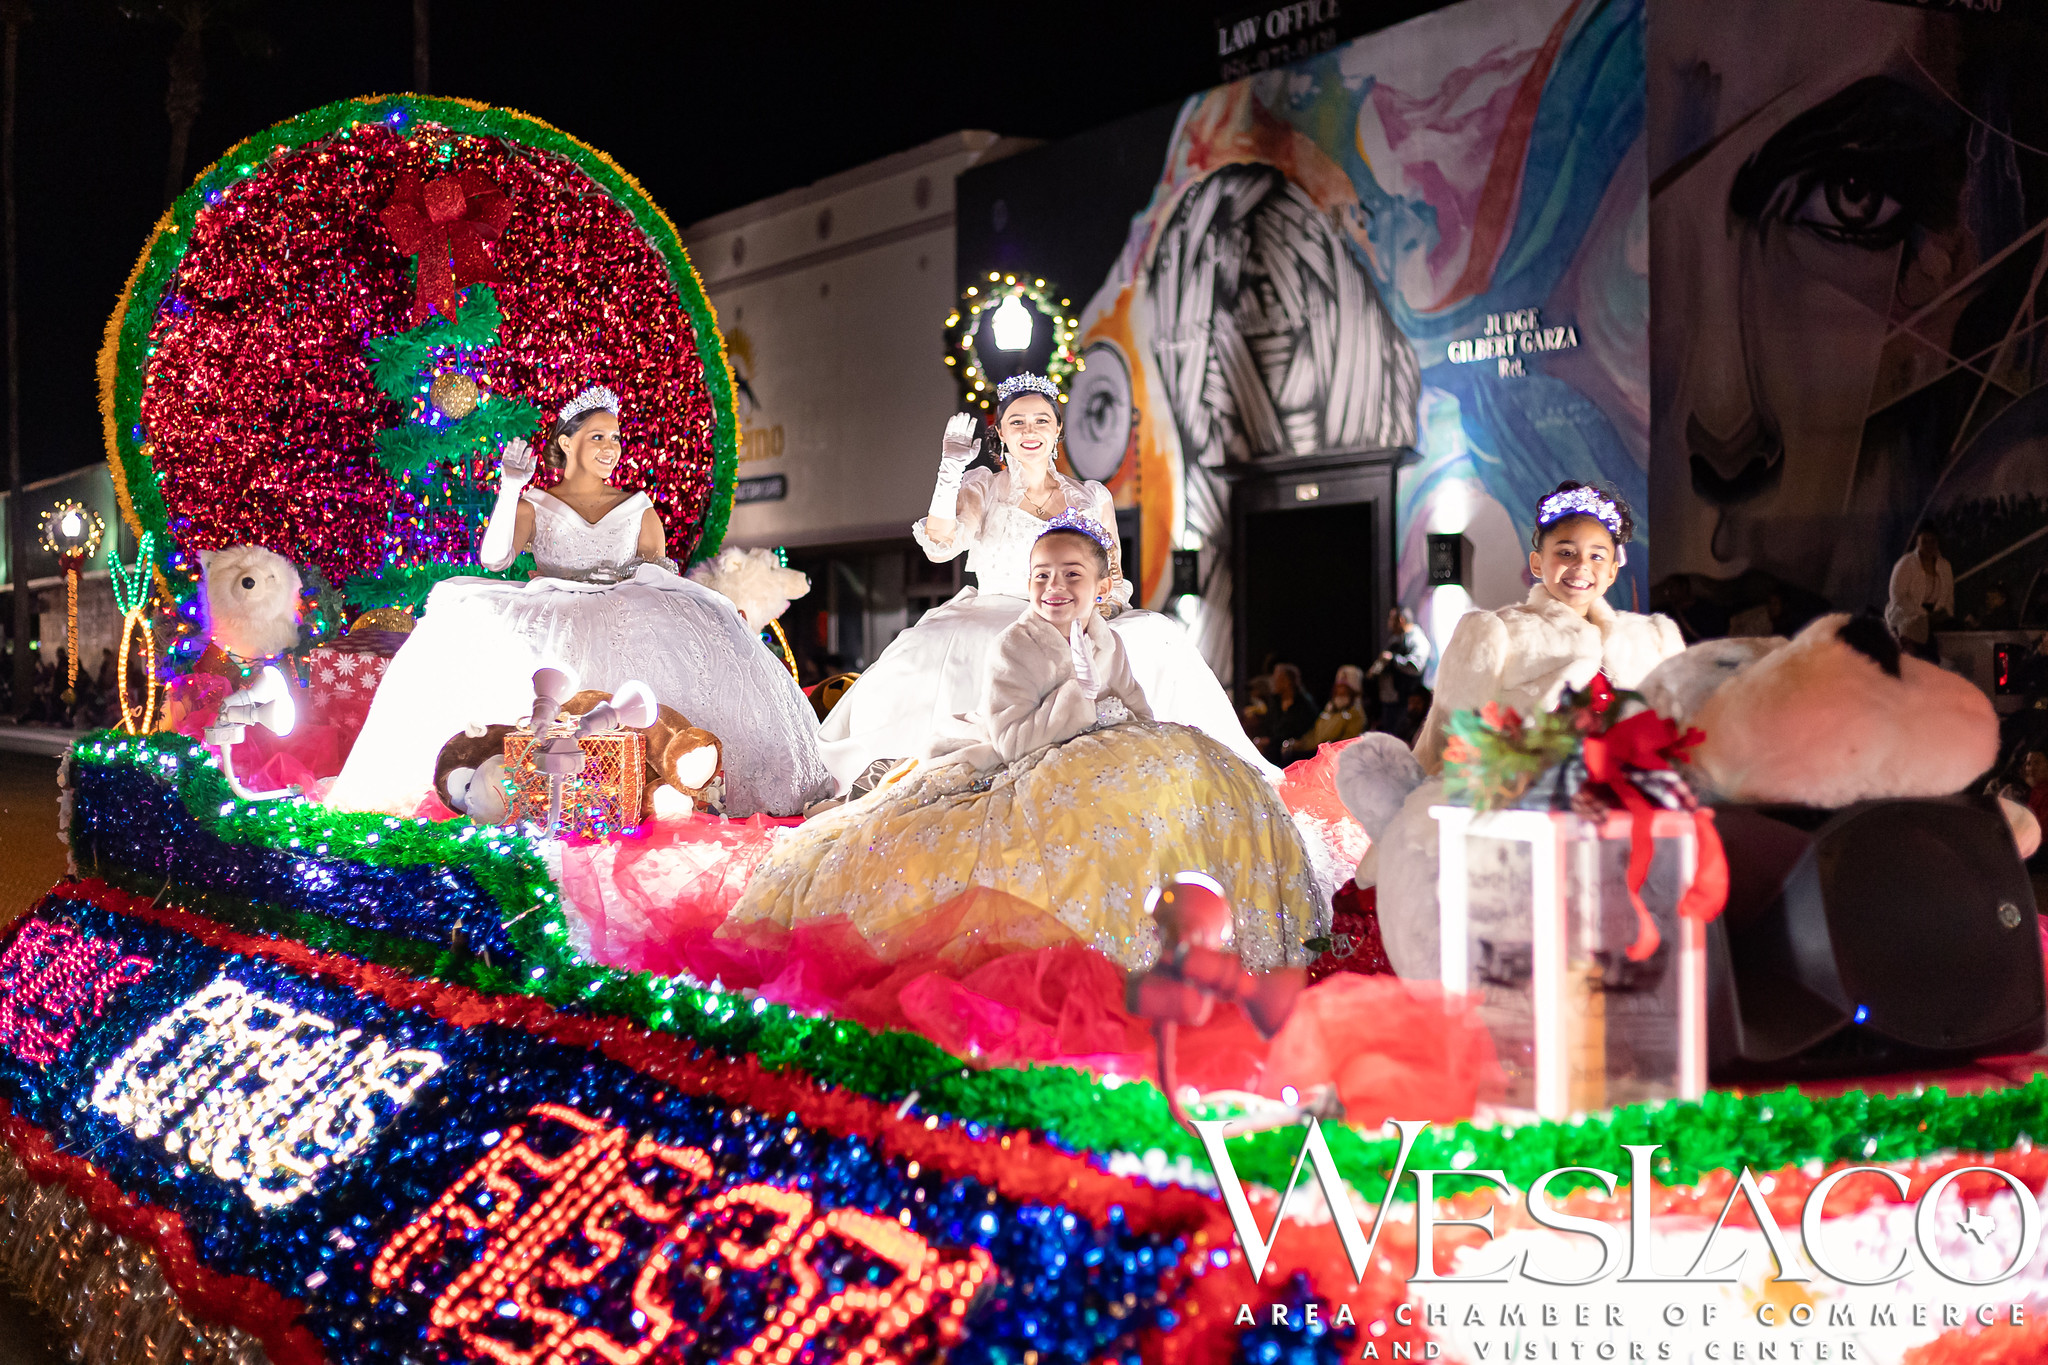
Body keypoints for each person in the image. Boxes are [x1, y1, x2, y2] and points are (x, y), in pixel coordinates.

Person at [729, 512, 1319, 971]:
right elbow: (1014, 740)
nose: (1055, 589)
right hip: (1031, 761)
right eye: (1042, 577)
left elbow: (1136, 705)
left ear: (1100, 585)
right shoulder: (1018, 645)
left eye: (1071, 576)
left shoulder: (1105, 638)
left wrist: (1144, 731)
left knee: (1197, 773)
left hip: (1103, 754)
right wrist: (1077, 702)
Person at [325, 385, 831, 818]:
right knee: (480, 639)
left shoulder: (637, 507)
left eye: (614, 437)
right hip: (550, 610)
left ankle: (665, 785)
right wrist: (509, 489)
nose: (611, 447)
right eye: (597, 436)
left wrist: (640, 581)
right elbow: (495, 558)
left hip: (626, 607)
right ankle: (508, 788)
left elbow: (659, 569)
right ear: (566, 442)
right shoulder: (536, 502)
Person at [815, 372, 1271, 792]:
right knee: (954, 644)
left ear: (1057, 430)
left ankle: (1176, 768)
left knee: (1156, 634)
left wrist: (1100, 609)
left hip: (1075, 610)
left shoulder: (1091, 496)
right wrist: (948, 472)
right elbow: (943, 543)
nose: (1029, 431)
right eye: (1017, 422)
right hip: (994, 607)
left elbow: (1112, 576)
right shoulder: (984, 486)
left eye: (1041, 420)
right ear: (1001, 433)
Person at [1414, 482, 1685, 774]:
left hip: (1629, 800)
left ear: (1611, 572)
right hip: (1526, 803)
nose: (1581, 565)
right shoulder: (1493, 633)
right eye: (1566, 552)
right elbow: (1447, 745)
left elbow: (1682, 732)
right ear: (1537, 563)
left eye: (1596, 556)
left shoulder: (1652, 638)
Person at [1885, 524, 1953, 661]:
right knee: (1915, 658)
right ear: (1917, 542)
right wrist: (1920, 613)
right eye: (1925, 541)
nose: (1929, 545)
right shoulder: (1906, 563)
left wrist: (1946, 614)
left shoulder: (1944, 566)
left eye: (1933, 541)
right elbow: (1897, 596)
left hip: (1931, 618)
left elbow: (1948, 594)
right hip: (1907, 618)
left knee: (1932, 660)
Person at [1365, 608, 1430, 723]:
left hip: (1406, 702)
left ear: (1400, 620)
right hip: (1390, 699)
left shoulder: (1416, 639)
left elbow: (1416, 666)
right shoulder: (1397, 639)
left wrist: (1393, 660)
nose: (1388, 624)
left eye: (1391, 619)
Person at [1286, 664, 1363, 760]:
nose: (1340, 691)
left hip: (1334, 758)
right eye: (1338, 687)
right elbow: (1315, 733)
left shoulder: (1356, 715)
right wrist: (1300, 743)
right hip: (1316, 752)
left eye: (1344, 688)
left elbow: (1347, 743)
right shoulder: (1329, 709)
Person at [1258, 663, 1317, 761]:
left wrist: (1270, 742)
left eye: (1276, 678)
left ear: (1287, 682)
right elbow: (1270, 727)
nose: (1273, 681)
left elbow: (1304, 733)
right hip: (1274, 750)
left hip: (1296, 754)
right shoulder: (1275, 702)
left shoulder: (1304, 705)